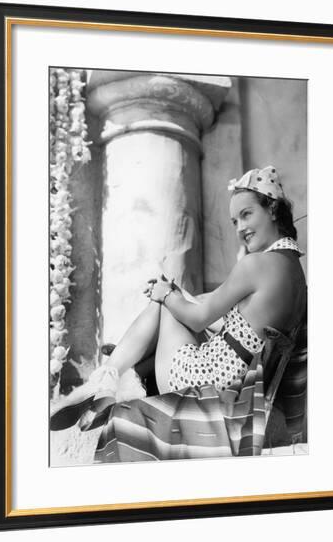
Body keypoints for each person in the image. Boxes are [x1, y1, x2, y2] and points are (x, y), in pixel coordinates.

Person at [50, 165, 307, 460]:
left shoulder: (257, 265)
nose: (239, 229)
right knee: (178, 298)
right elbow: (233, 325)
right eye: (235, 221)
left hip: (206, 380)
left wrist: (165, 295)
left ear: (272, 210)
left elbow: (199, 318)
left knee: (164, 306)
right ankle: (117, 375)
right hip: (236, 379)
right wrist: (177, 294)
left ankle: (109, 377)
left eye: (247, 214)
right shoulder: (294, 274)